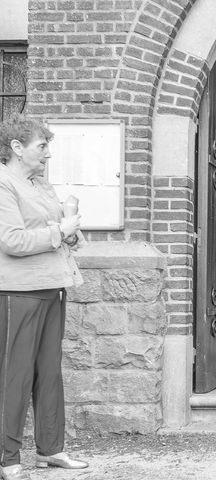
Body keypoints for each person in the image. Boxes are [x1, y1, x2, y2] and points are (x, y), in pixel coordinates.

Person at [0, 114, 88, 480]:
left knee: (49, 373)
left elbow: (63, 235)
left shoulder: (41, 185)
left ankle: (51, 450)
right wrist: (59, 229)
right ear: (17, 148)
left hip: (54, 287)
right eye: (42, 145)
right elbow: (12, 241)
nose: (48, 153)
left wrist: (69, 229)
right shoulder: (4, 184)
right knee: (15, 376)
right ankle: (7, 457)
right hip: (19, 293)